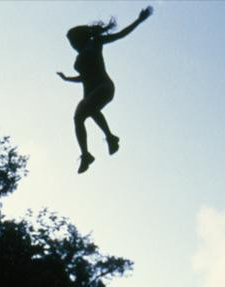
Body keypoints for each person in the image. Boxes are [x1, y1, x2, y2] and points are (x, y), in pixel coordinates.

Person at [57, 6, 153, 173]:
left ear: (79, 39)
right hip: (89, 94)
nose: (72, 46)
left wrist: (138, 20)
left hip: (104, 87)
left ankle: (110, 137)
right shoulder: (79, 58)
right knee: (78, 118)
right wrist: (67, 79)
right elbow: (84, 78)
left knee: (88, 106)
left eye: (72, 42)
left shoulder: (95, 44)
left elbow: (121, 35)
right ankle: (86, 155)